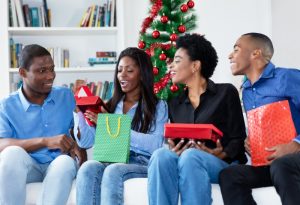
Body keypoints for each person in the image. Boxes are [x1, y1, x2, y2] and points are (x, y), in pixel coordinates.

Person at [147, 33, 247, 205]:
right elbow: (176, 139)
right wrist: (174, 149)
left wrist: (221, 153)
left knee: (191, 157)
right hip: (186, 160)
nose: (171, 66)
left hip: (222, 164)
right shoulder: (174, 102)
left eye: (177, 61)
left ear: (195, 66)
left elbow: (238, 139)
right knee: (161, 156)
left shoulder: (226, 92)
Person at [75, 47, 168, 205]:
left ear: (142, 75)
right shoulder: (110, 105)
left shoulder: (158, 106)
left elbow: (156, 145)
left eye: (129, 70)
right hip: (110, 159)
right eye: (119, 70)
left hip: (141, 161)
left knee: (113, 171)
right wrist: (81, 111)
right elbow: (85, 142)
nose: (122, 75)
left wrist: (110, 124)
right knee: (87, 167)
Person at [219, 33, 300, 205]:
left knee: (282, 165)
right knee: (230, 174)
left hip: (293, 160)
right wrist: (252, 141)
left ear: (255, 53)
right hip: (270, 164)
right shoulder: (246, 91)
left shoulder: (287, 77)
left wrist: (296, 144)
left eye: (236, 49)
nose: (230, 55)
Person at [0, 44, 86, 205]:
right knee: (11, 154)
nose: (50, 76)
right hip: (27, 167)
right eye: (42, 71)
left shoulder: (66, 96)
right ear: (22, 73)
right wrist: (45, 141)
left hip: (58, 164)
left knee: (65, 162)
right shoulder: (6, 105)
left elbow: (79, 132)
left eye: (52, 69)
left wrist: (77, 144)